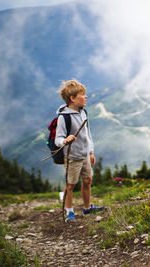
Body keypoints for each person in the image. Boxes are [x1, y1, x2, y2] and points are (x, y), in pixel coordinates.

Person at [55, 79, 105, 222]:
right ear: (72, 98)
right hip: (72, 157)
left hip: (84, 155)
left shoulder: (83, 112)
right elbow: (57, 139)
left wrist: (91, 151)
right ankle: (69, 212)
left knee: (88, 180)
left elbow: (87, 134)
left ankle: (87, 208)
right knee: (70, 184)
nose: (86, 97)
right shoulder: (64, 117)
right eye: (82, 94)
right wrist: (65, 140)